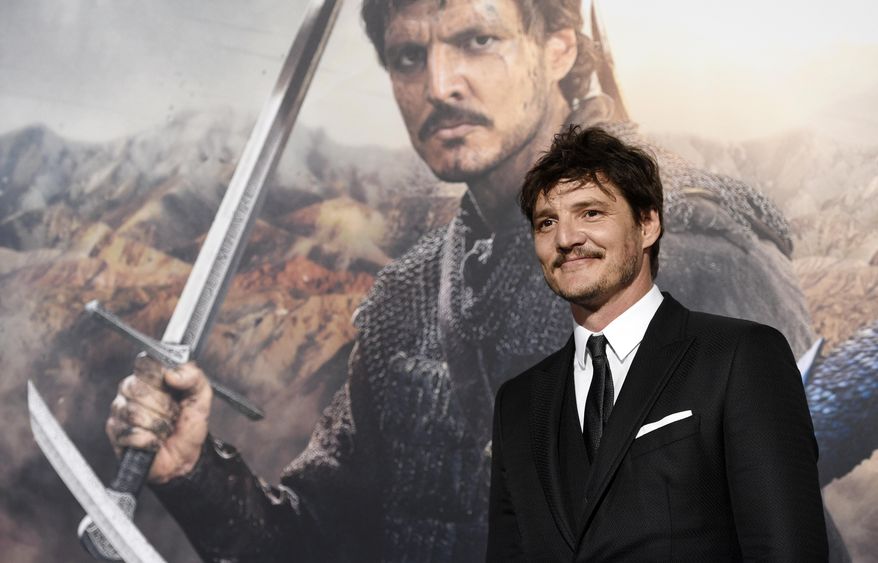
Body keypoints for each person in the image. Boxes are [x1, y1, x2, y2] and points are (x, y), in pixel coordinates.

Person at [105, 1, 827, 561]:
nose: (439, 84)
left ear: (558, 46)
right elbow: (323, 540)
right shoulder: (408, 299)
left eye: (477, 40)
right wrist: (194, 471)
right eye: (408, 57)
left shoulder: (692, 249)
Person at [487, 125, 827, 560]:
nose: (566, 238)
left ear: (647, 224)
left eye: (591, 213)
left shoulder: (740, 357)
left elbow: (788, 549)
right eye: (546, 222)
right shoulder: (517, 404)